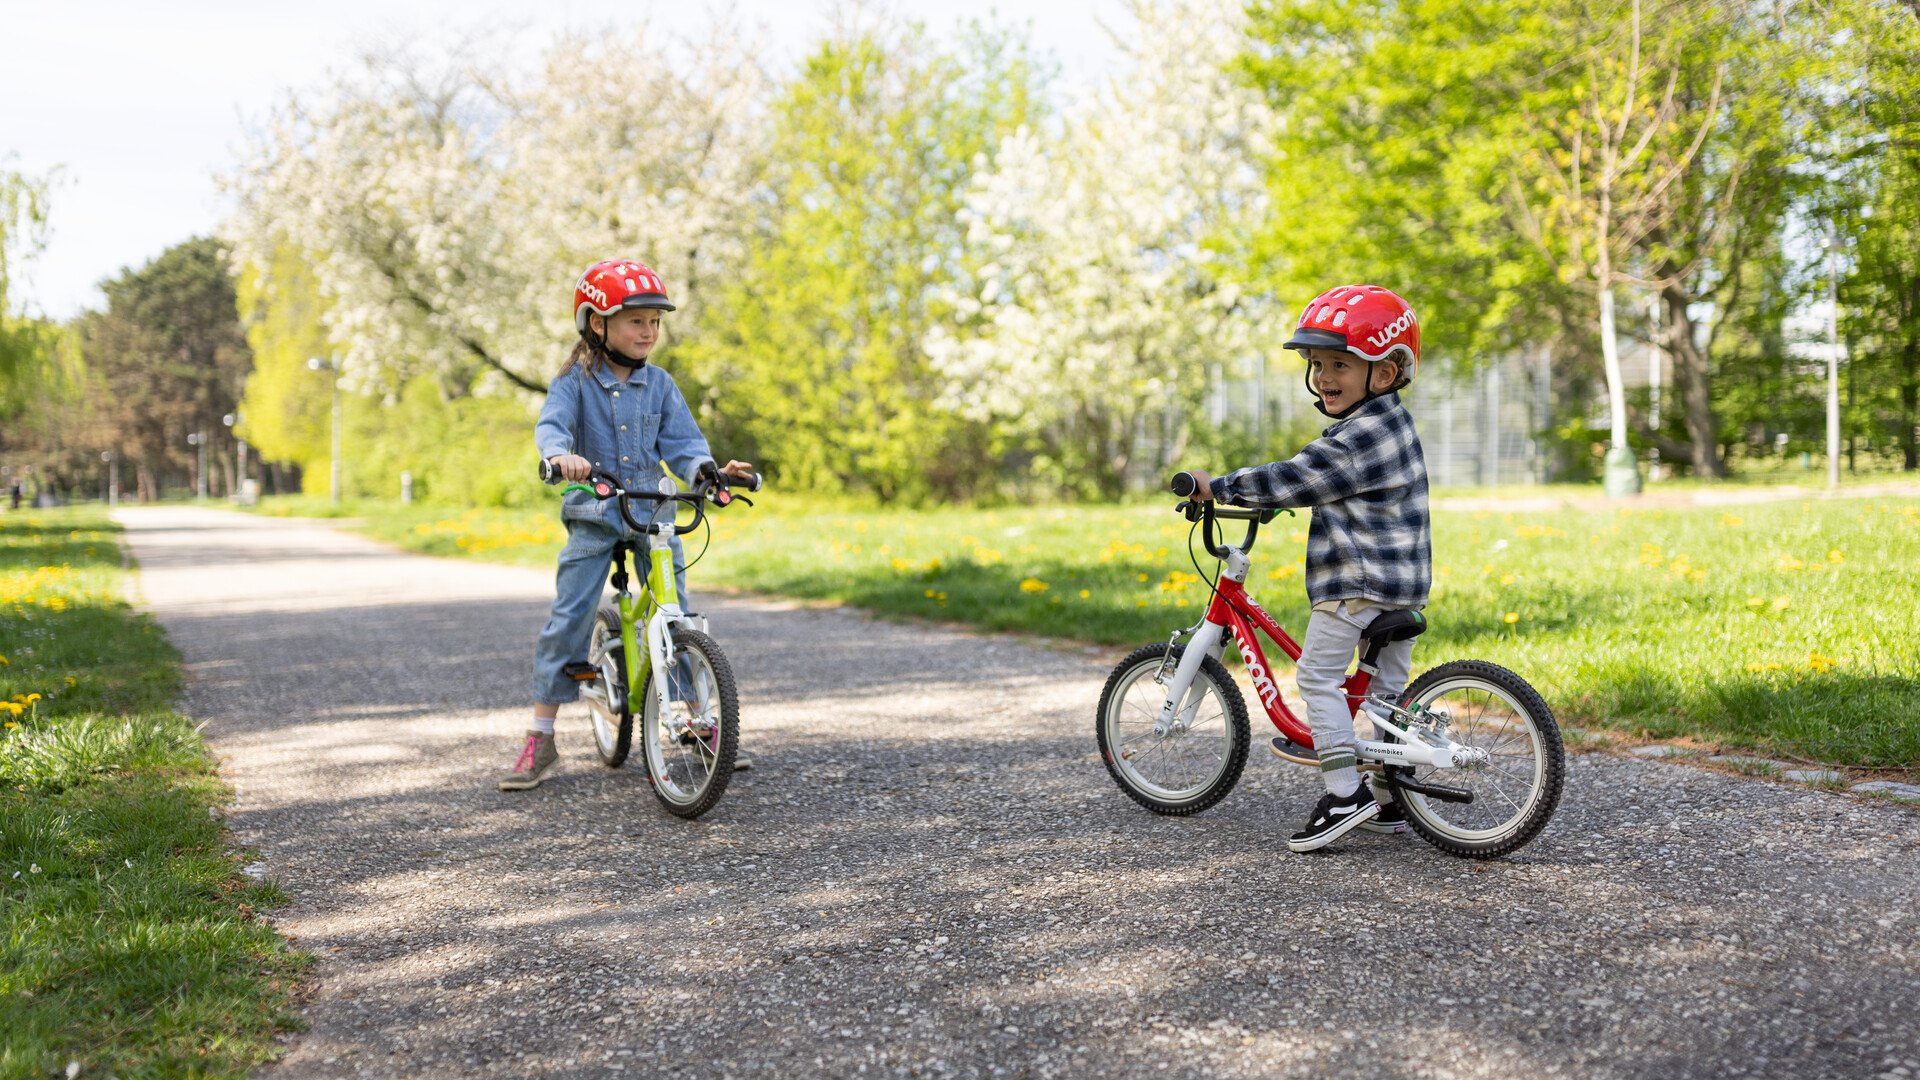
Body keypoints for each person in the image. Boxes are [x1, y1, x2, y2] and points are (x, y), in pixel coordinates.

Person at [1180, 284, 1430, 852]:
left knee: (1317, 678)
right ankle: (1392, 795)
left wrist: (1215, 487)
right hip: (1401, 584)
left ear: (1385, 373)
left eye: (1340, 364)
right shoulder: (1391, 424)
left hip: (1356, 585)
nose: (1323, 377)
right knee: (1385, 693)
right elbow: (1318, 482)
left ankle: (1344, 796)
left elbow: (1298, 476)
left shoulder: (1357, 437)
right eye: (1317, 364)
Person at [502, 259, 755, 791]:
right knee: (569, 615)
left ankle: (696, 722)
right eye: (636, 321)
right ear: (598, 324)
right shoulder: (575, 382)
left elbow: (683, 444)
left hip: (651, 512)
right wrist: (559, 456)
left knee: (675, 611)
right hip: (594, 514)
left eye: (655, 323)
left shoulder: (660, 386)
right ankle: (540, 734)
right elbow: (552, 425)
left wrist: (707, 472)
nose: (648, 332)